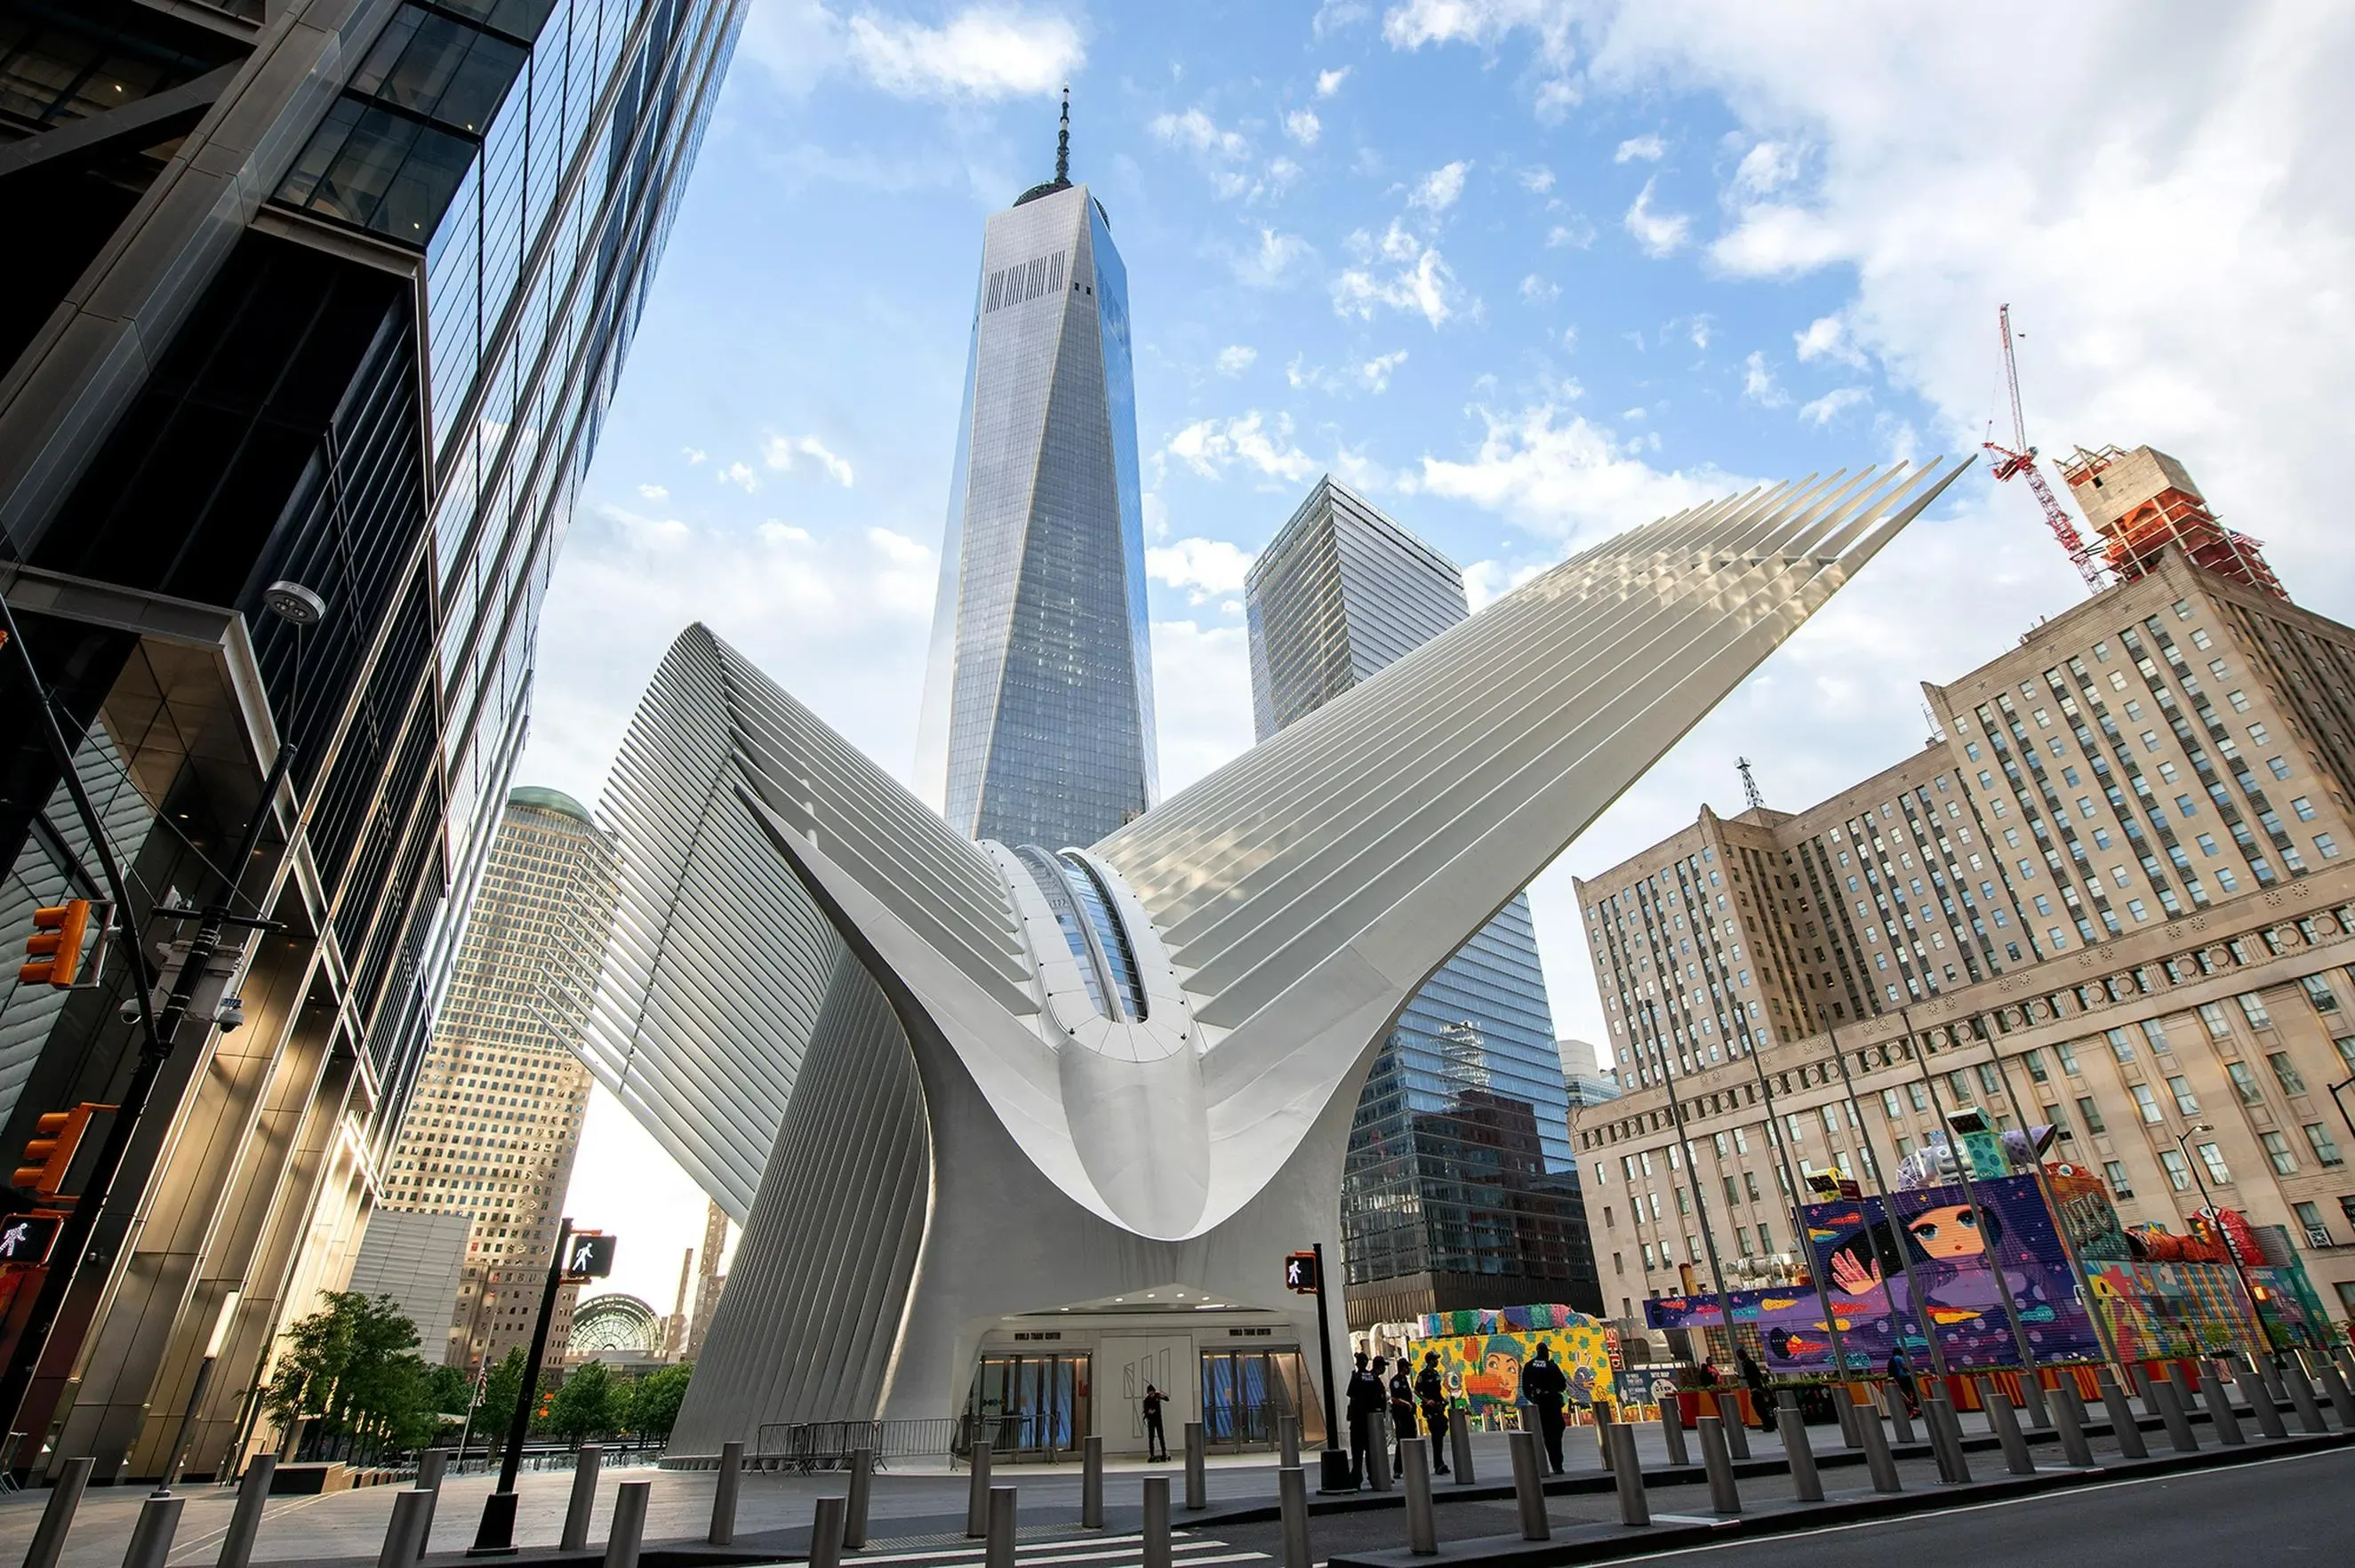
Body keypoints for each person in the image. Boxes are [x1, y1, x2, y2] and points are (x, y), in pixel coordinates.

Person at [1522, 1341, 1569, 1475]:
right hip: (1553, 1404)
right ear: (1546, 1352)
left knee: (1542, 1437)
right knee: (1555, 1437)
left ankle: (1542, 1467)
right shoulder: (1551, 1366)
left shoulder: (1529, 1365)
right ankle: (1557, 1465)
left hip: (1539, 1404)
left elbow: (1525, 1387)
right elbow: (1562, 1385)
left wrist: (1533, 1398)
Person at [1346, 1351, 1386, 1487]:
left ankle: (1356, 1478)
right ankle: (1374, 1476)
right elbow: (1379, 1397)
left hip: (1357, 1420)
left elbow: (1350, 1393)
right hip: (1370, 1420)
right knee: (1370, 1451)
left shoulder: (1356, 1376)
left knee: (1357, 1452)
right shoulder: (1373, 1378)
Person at [1415, 1351, 1451, 1475]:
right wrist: (1427, 1401)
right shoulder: (1423, 1375)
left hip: (1438, 1407)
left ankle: (1440, 1462)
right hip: (1430, 1409)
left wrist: (1443, 1400)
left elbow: (1438, 1391)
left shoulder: (1436, 1374)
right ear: (1430, 1361)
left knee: (1441, 1430)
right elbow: (1417, 1390)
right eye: (1435, 1359)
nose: (1437, 1362)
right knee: (1436, 1435)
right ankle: (1438, 1464)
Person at [1389, 1357, 1418, 1471]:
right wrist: (1406, 1404)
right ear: (1403, 1368)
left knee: (1412, 1438)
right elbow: (1395, 1398)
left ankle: (1410, 1465)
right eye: (1407, 1367)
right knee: (1402, 1440)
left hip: (1408, 1414)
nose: (1409, 1369)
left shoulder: (1405, 1380)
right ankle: (1398, 1468)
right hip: (1400, 1415)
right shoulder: (1395, 1381)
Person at [1737, 1349, 1774, 1431]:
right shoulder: (1748, 1363)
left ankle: (1768, 1424)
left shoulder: (1748, 1363)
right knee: (1760, 1407)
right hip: (1756, 1387)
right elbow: (1757, 1374)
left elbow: (1753, 1375)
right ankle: (1768, 1424)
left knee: (1759, 1407)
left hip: (1756, 1388)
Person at [1886, 1349, 1922, 1420]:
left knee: (1905, 1394)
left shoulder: (1892, 1359)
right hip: (1904, 1377)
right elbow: (1905, 1367)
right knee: (1914, 1392)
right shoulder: (1899, 1358)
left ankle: (1911, 1410)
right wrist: (1915, 1372)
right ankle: (1914, 1407)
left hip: (1898, 1378)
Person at [1141, 1383, 1169, 1461]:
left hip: (1158, 1420)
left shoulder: (1158, 1396)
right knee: (1151, 1438)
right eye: (1150, 1393)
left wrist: (1164, 1396)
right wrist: (1149, 1412)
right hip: (1151, 1421)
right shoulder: (1146, 1400)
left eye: (1153, 1393)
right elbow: (1145, 1411)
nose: (1152, 1394)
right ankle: (1152, 1454)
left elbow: (1167, 1399)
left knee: (1161, 1436)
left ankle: (1164, 1453)